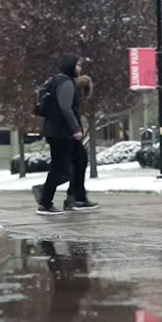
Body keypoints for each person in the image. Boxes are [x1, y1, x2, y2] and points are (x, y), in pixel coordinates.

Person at [33, 53, 98, 215]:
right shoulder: (66, 83)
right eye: (77, 65)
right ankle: (46, 201)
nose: (80, 69)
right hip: (61, 132)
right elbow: (65, 107)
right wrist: (75, 128)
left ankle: (76, 198)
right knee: (60, 167)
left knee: (80, 160)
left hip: (58, 131)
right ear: (70, 66)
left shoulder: (58, 80)